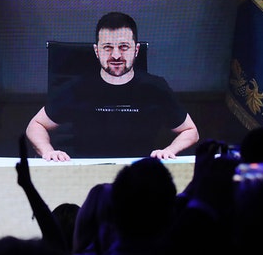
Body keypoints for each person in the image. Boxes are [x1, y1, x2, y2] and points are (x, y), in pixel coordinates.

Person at [26, 12, 198, 161]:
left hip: (139, 173)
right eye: (108, 48)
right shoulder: (77, 87)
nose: (116, 55)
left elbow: (191, 131)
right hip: (87, 172)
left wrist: (169, 151)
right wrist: (48, 152)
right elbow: (36, 125)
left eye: (124, 47)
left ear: (136, 50)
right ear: (97, 51)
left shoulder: (156, 88)